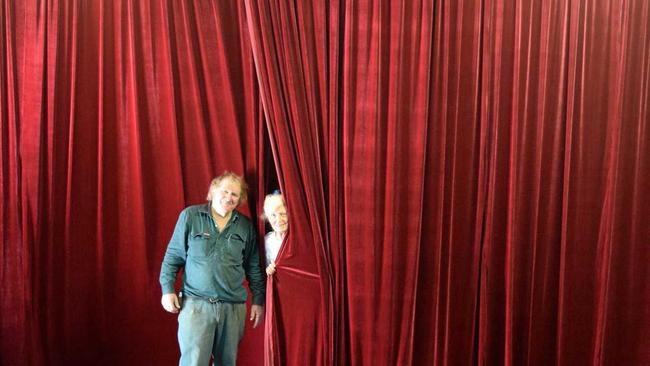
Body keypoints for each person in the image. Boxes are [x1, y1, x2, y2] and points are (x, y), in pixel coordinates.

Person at [159, 172, 265, 366]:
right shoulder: (190, 216)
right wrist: (167, 291)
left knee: (227, 362)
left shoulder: (246, 226)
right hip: (196, 306)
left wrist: (258, 300)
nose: (229, 197)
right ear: (213, 190)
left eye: (235, 194)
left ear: (240, 199)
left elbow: (253, 267)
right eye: (225, 191)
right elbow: (172, 257)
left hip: (233, 309)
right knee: (193, 362)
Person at [261, 192, 288, 276]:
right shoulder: (267, 240)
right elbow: (265, 267)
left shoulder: (299, 238)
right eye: (273, 215)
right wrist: (268, 270)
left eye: (283, 214)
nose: (278, 220)